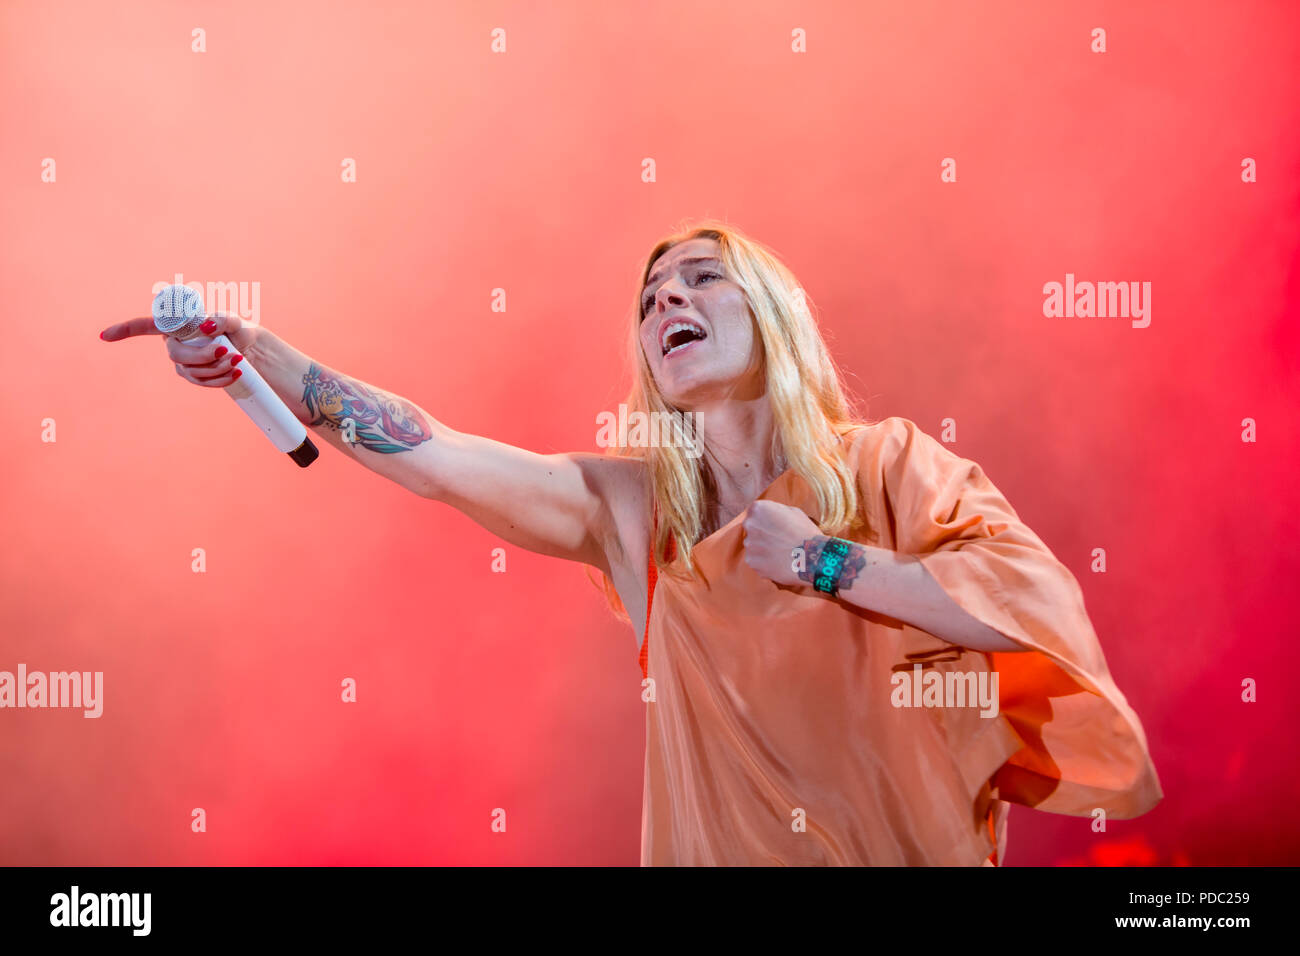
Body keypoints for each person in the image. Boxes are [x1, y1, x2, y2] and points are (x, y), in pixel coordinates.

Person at [100, 221, 1162, 865]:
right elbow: (430, 450)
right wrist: (266, 354)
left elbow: (1028, 609)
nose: (669, 300)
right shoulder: (634, 513)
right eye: (653, 296)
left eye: (701, 277)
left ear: (777, 316)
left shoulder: (888, 466)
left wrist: (827, 563)